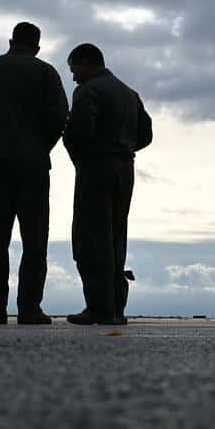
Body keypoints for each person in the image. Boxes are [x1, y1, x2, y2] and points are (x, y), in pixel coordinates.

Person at [0, 22, 69, 325]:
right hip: (34, 166)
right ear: (37, 47)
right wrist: (41, 143)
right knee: (35, 241)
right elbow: (61, 116)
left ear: (10, 41)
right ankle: (30, 309)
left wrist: (0, 124)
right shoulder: (46, 73)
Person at [62, 43, 152, 325]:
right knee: (116, 237)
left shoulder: (88, 91)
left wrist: (82, 155)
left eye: (74, 69)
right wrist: (122, 147)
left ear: (86, 63)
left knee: (90, 237)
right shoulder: (129, 93)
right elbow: (146, 134)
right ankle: (116, 306)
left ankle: (99, 307)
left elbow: (79, 133)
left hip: (95, 168)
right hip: (125, 168)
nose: (74, 77)